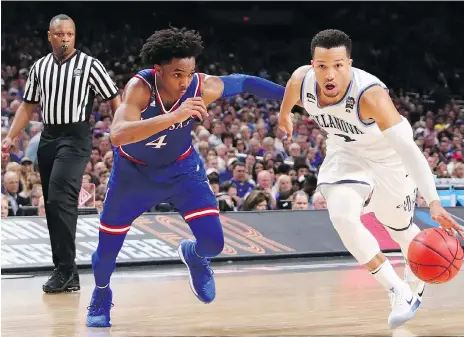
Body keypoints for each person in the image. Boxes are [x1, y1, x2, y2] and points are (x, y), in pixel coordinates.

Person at [86, 26, 285, 327]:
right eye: (177, 74)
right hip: (133, 175)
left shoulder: (201, 86)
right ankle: (101, 293)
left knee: (214, 243)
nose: (185, 81)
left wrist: (290, 99)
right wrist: (174, 116)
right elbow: (117, 134)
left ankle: (193, 255)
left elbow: (244, 82)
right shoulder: (140, 88)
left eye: (190, 73)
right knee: (105, 255)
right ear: (158, 70)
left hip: (182, 171)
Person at [278, 29, 464, 330]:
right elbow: (291, 88)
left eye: (338, 65)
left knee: (401, 232)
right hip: (345, 152)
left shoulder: (371, 96)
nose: (330, 74)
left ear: (349, 63)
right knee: (341, 214)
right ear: (313, 65)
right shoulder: (302, 80)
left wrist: (434, 203)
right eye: (322, 66)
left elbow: (411, 152)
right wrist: (284, 115)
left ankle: (414, 283)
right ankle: (397, 290)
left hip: (389, 160)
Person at [1, 14, 121, 293]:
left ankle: (66, 269)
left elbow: (115, 99)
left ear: (74, 36)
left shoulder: (90, 65)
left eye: (69, 34)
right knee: (53, 202)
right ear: (50, 36)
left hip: (76, 136)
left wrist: (120, 131)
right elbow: (27, 106)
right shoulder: (40, 67)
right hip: (49, 136)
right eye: (60, 34)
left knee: (59, 197)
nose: (65, 38)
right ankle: (66, 270)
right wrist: (10, 137)